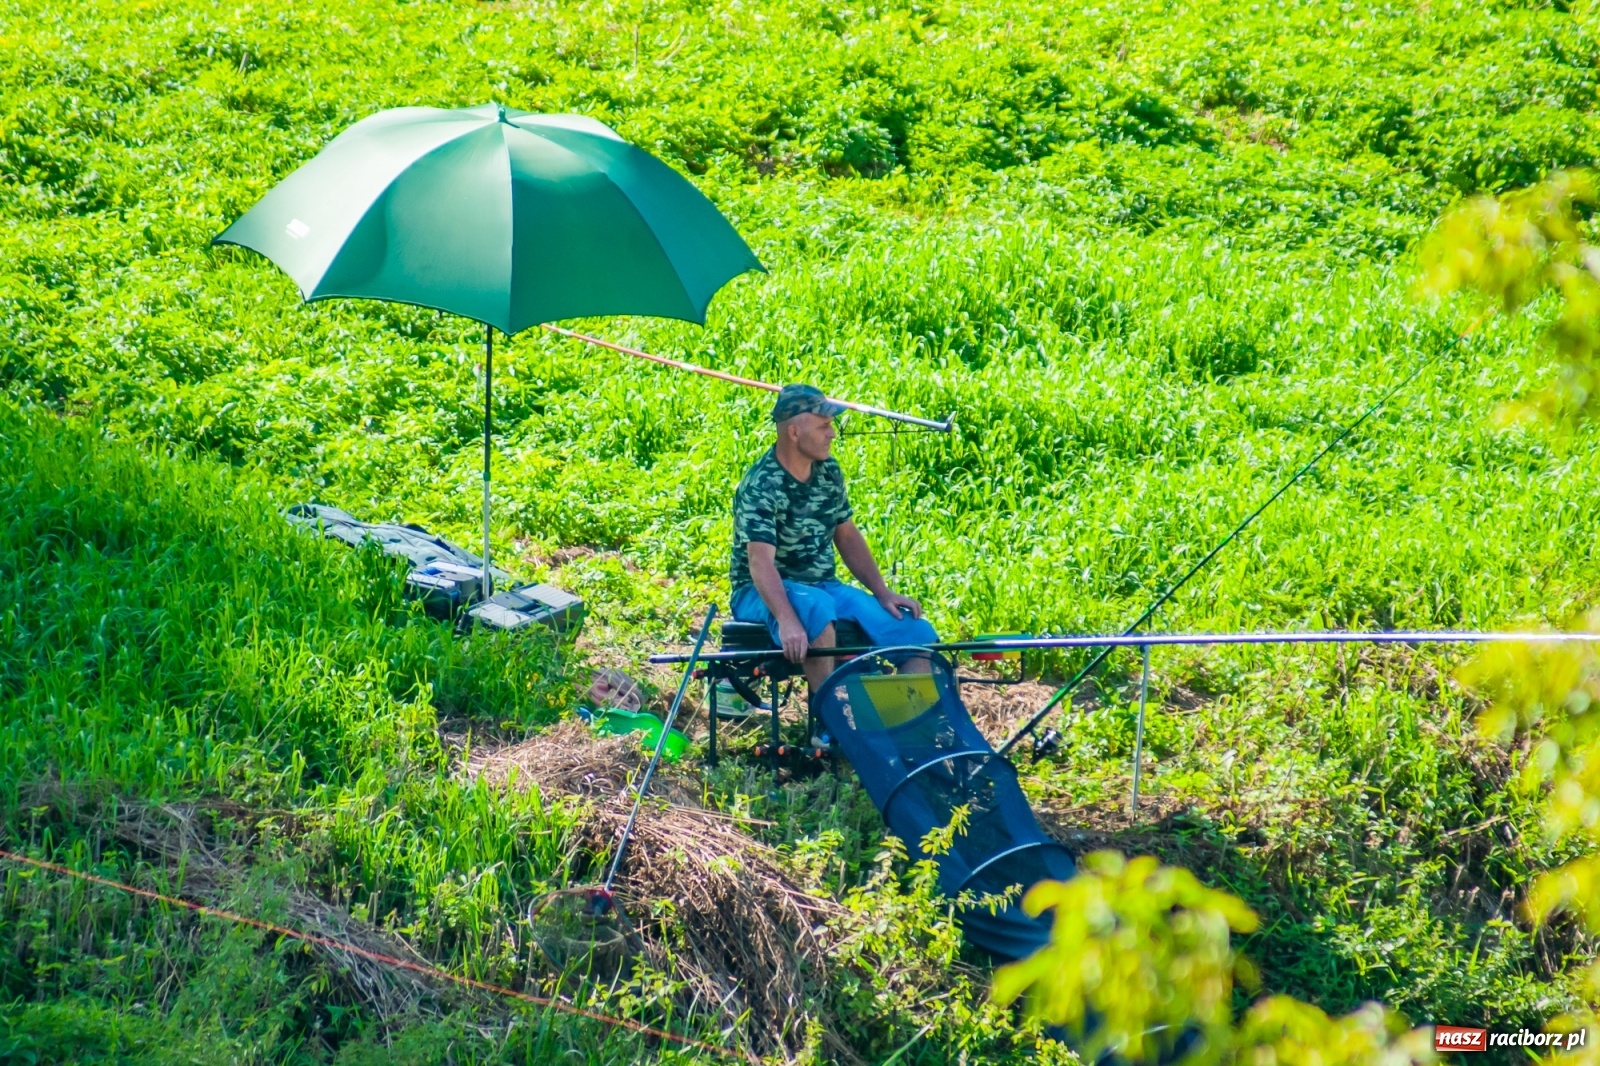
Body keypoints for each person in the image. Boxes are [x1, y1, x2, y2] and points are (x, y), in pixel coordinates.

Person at [729, 384, 939, 692]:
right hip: (759, 592)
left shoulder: (829, 472)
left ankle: (902, 726)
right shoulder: (761, 484)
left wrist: (882, 592)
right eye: (824, 425)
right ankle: (829, 726)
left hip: (824, 587)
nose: (832, 433)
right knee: (816, 609)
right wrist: (786, 618)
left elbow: (847, 534)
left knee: (916, 633)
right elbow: (759, 563)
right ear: (794, 432)